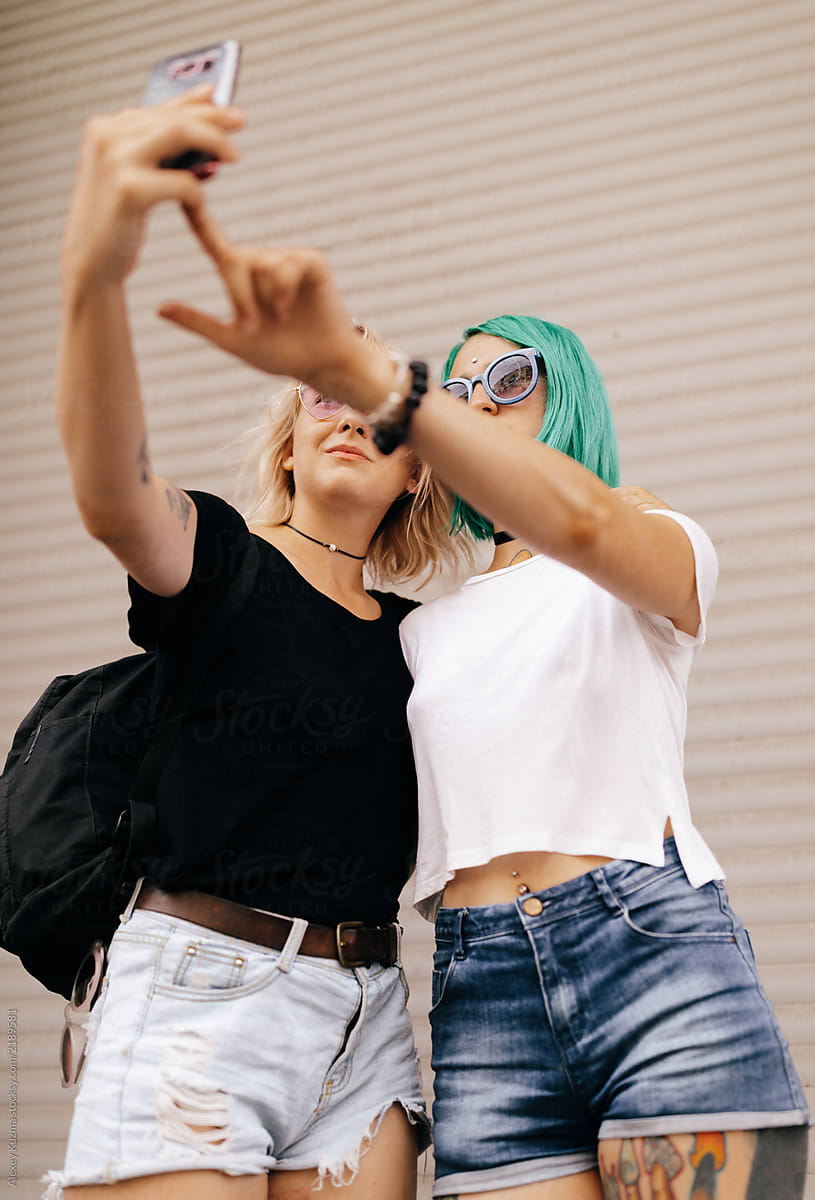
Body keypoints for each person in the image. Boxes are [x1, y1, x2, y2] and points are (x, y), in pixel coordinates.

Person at [157, 215, 811, 1198]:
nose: (477, 406)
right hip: (480, 984)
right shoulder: (420, 632)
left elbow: (582, 519)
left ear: (569, 400)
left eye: (510, 382)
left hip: (646, 953)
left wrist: (380, 373)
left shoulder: (648, 542)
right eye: (455, 394)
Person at [45, 86, 470, 1200]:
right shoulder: (221, 562)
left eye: (374, 398)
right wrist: (97, 276)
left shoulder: (427, 643)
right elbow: (111, 493)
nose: (345, 411)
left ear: (417, 462)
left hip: (366, 1020)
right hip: (199, 995)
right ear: (288, 438)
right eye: (320, 389)